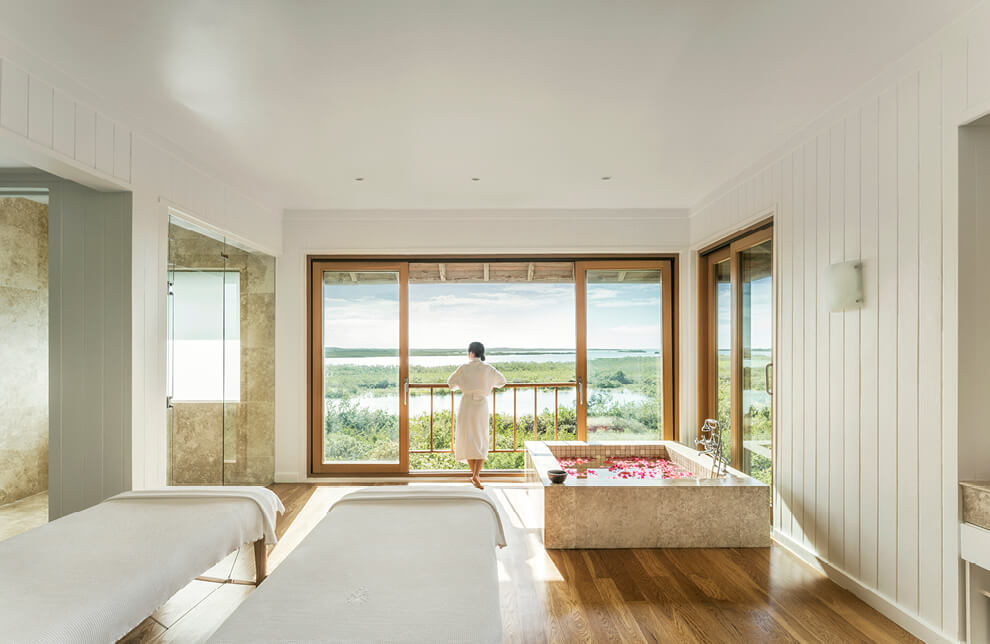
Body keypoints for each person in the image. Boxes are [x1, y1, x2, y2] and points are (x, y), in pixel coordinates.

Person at [446, 341, 506, 489]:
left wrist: (462, 386)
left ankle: (475, 475)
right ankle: (475, 476)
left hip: (467, 405)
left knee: (468, 438)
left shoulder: (464, 368)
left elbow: (450, 384)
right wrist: (489, 384)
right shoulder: (488, 369)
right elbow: (502, 382)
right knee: (481, 438)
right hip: (481, 406)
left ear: (471, 353)